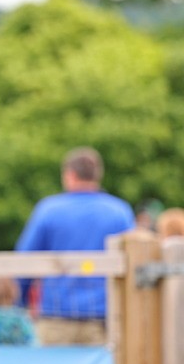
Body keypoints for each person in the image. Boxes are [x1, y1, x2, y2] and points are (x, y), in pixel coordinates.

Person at [15, 147, 135, 346]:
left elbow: (24, 263)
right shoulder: (119, 212)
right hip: (105, 318)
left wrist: (19, 303)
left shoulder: (48, 210)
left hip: (56, 316)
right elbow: (134, 263)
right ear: (97, 174)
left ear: (69, 175)